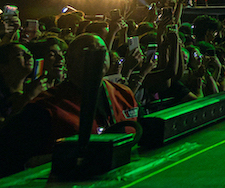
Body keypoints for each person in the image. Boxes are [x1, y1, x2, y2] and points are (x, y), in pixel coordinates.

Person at [0, 34, 139, 177]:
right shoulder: (47, 106)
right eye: (88, 51)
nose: (99, 55)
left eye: (103, 50)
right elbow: (14, 156)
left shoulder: (124, 94)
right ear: (70, 61)